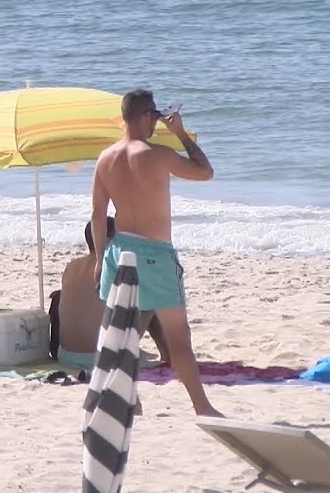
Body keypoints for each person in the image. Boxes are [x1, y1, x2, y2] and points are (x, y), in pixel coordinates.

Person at [90, 89, 221, 417]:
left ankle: (129, 401)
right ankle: (202, 407)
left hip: (118, 252)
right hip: (155, 256)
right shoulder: (157, 154)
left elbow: (97, 215)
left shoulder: (105, 159)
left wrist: (97, 261)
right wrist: (181, 136)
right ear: (146, 116)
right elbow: (205, 172)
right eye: (157, 116)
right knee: (178, 340)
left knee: (126, 336)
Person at [57, 216, 170, 369]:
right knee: (151, 299)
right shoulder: (112, 265)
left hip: (65, 355)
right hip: (102, 359)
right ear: (109, 240)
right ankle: (168, 355)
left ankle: (149, 353)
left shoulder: (72, 266)